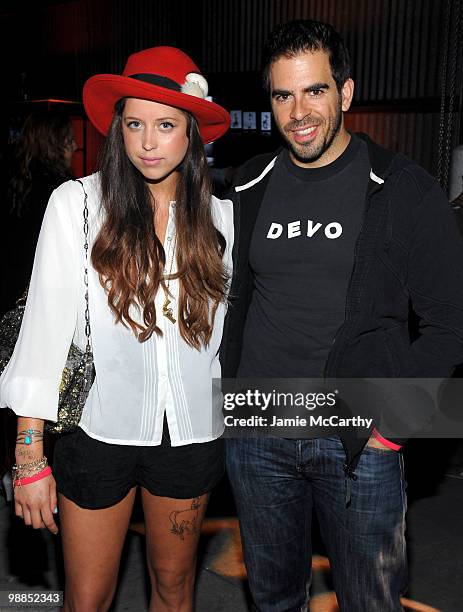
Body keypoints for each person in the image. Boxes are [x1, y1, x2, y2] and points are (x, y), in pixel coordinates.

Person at [221, 20, 463, 611]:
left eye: (315, 91)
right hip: (259, 430)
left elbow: (449, 322)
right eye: (283, 95)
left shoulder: (404, 189)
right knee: (274, 597)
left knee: (369, 601)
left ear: (346, 92)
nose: (298, 111)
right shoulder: (249, 183)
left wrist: (390, 428)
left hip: (356, 435)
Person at [0, 46, 232, 612]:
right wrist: (30, 457)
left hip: (192, 438)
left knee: (175, 590)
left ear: (192, 134)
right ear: (117, 128)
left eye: (165, 125)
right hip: (98, 435)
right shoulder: (77, 204)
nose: (148, 142)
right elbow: (43, 335)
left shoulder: (223, 218)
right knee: (88, 599)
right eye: (134, 123)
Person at [1, 111, 76, 313]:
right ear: (54, 146)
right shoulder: (61, 192)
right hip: (40, 295)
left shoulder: (15, 180)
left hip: (11, 287)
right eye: (70, 141)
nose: (75, 147)